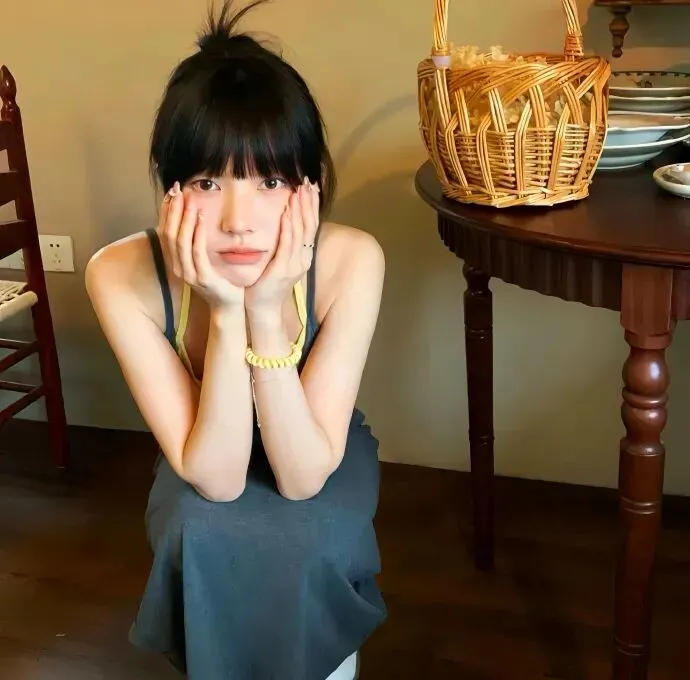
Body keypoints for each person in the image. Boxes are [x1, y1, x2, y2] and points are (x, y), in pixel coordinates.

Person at [85, 1, 386, 678]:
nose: (237, 220)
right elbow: (217, 480)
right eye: (207, 181)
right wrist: (225, 311)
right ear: (170, 189)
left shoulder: (351, 260)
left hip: (312, 437)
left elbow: (303, 477)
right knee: (198, 530)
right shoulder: (120, 276)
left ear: (307, 187)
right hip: (204, 440)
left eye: (269, 180)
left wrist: (269, 306)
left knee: (315, 537)